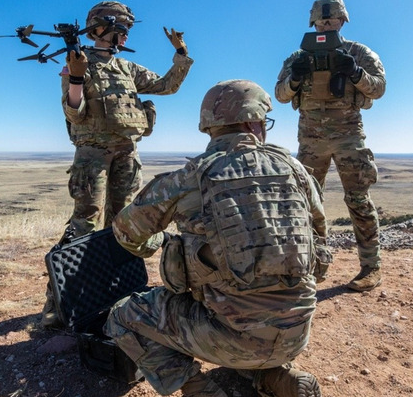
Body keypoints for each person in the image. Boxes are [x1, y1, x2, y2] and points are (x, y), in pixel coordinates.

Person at [104, 80, 331, 397]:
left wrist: (160, 246)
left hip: (229, 337)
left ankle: (199, 389)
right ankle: (275, 377)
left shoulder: (188, 178)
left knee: (123, 315)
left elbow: (126, 232)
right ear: (253, 122)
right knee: (250, 309)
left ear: (210, 125)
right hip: (296, 334)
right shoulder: (295, 169)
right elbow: (320, 243)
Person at [41, 0, 193, 328]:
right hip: (92, 153)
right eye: (122, 31)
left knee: (123, 224)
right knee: (84, 223)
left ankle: (116, 291)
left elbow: (167, 86)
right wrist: (78, 80)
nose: (125, 37)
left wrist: (181, 54)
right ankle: (55, 303)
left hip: (127, 152)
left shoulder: (127, 69)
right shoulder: (75, 63)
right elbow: (73, 112)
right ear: (103, 30)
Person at [275, 0, 386, 292]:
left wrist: (356, 73)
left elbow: (379, 88)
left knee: (359, 201)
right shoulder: (298, 57)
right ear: (313, 21)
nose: (326, 23)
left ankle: (371, 267)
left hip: (349, 136)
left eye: (332, 18)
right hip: (311, 140)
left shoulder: (358, 53)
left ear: (342, 20)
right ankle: (313, 268)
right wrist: (295, 80)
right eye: (322, 19)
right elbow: (281, 95)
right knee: (309, 205)